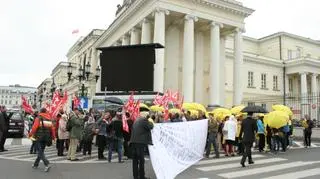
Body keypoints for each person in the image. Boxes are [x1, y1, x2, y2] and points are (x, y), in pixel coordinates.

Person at [130, 112, 154, 179]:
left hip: (133, 142)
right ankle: (141, 176)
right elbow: (151, 126)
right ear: (146, 116)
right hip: (140, 143)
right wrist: (150, 120)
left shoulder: (136, 121)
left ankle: (135, 176)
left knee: (135, 161)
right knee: (141, 160)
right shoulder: (144, 120)